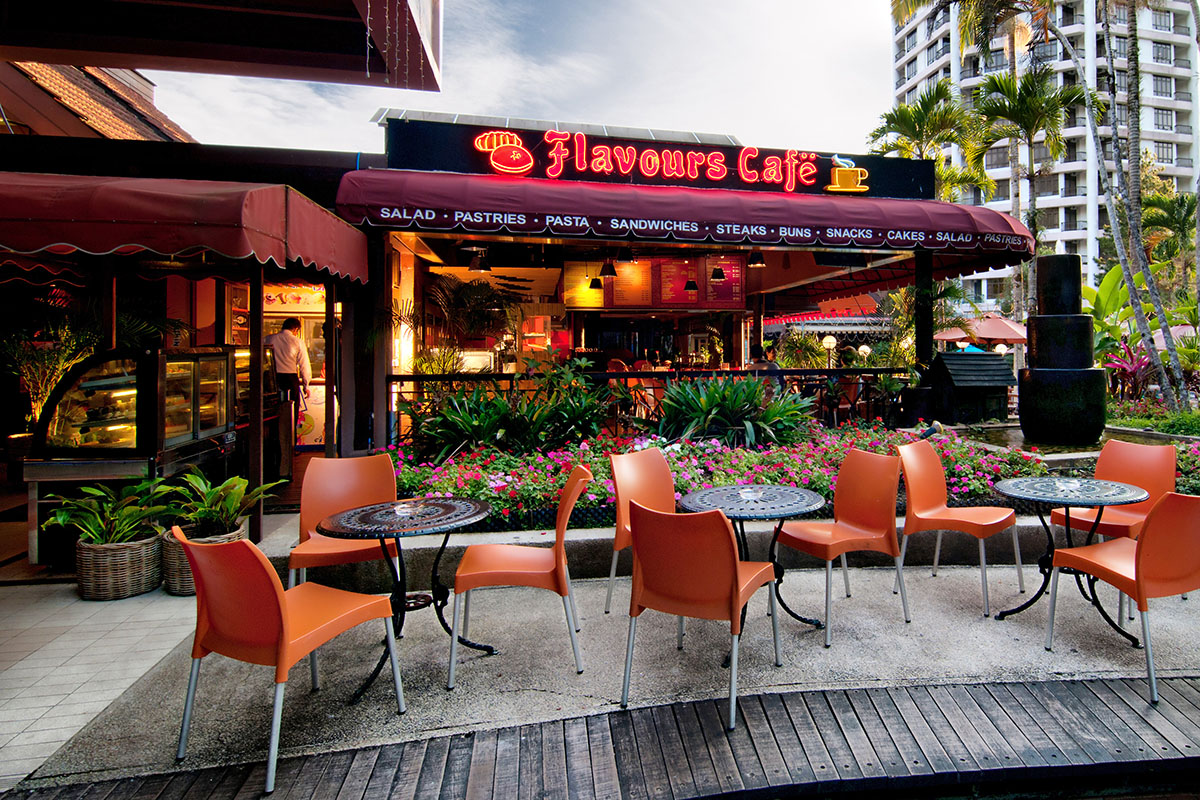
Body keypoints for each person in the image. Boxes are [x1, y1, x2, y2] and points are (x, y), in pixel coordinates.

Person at [265, 317, 311, 420]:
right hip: (290, 378)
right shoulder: (298, 341)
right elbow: (304, 364)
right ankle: (291, 429)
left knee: (271, 411)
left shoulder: (268, 339)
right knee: (291, 411)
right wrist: (306, 385)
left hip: (271, 378)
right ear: (295, 329)